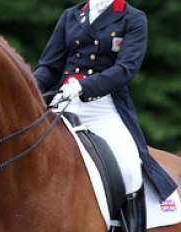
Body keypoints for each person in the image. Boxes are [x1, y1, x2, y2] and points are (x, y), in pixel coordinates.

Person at [33, 0, 177, 231]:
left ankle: (128, 226)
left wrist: (84, 86)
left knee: (130, 168)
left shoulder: (132, 18)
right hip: (64, 102)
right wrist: (28, 89)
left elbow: (125, 69)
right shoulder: (71, 15)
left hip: (104, 106)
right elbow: (49, 67)